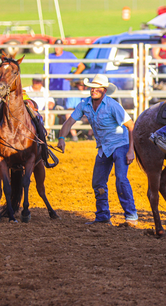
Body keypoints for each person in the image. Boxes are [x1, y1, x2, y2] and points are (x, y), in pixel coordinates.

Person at [57, 74, 138, 226]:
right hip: (104, 147)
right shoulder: (84, 105)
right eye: (92, 87)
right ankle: (102, 216)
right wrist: (61, 138)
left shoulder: (113, 105)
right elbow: (69, 122)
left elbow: (131, 126)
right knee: (98, 182)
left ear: (104, 90)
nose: (93, 90)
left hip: (120, 144)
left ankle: (131, 216)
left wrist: (131, 150)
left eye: (97, 87)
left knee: (121, 179)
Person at [46, 38, 85, 107]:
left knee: (64, 110)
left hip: (65, 89)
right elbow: (46, 72)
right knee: (50, 109)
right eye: (56, 46)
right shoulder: (49, 56)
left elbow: (81, 66)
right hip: (52, 89)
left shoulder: (68, 56)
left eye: (59, 46)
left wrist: (72, 76)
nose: (57, 48)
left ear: (62, 47)